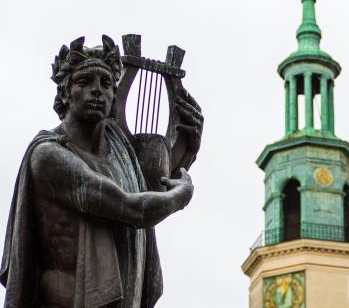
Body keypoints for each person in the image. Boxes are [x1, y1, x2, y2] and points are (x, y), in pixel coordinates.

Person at [0, 36, 203, 308]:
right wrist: (183, 195)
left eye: (106, 84)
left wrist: (188, 148)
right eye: (85, 82)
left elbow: (154, 190)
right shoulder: (48, 155)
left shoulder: (120, 151)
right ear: (64, 93)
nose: (97, 90)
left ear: (114, 96)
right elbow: (135, 209)